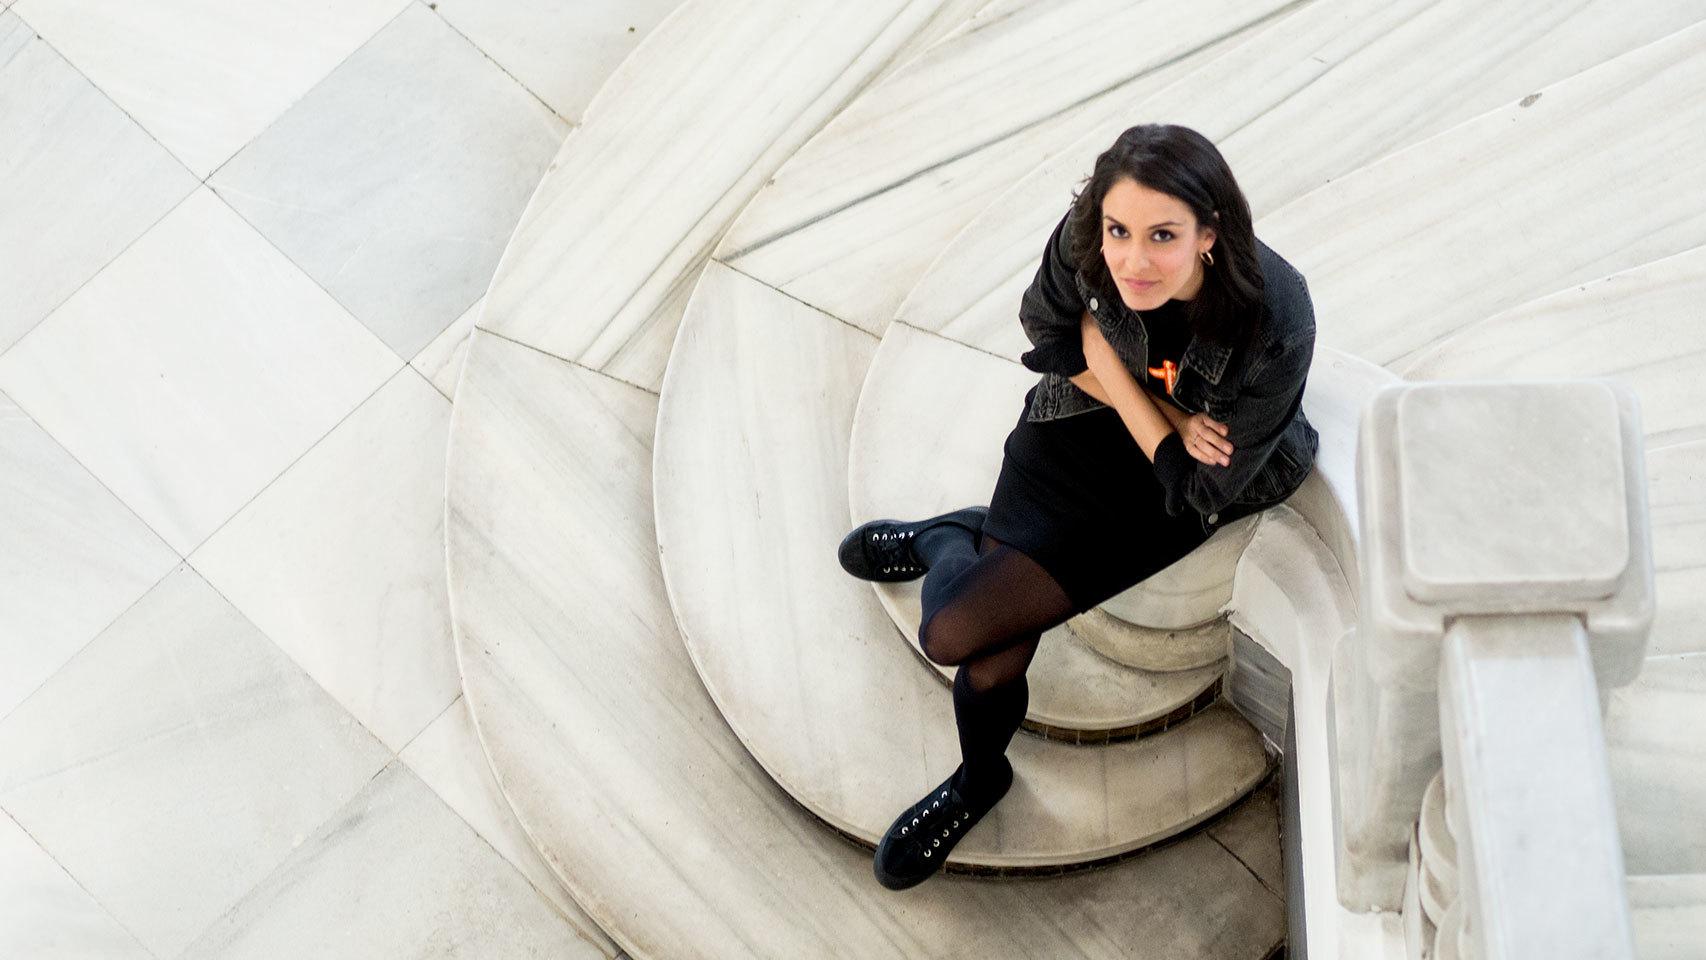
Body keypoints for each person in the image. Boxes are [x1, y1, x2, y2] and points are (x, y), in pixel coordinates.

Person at [837, 123, 1319, 890]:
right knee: (977, 651)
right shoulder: (1086, 241)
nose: (1131, 260)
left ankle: (947, 545)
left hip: (1161, 495)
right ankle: (981, 776)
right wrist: (1149, 401)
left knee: (953, 631)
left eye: (1163, 236)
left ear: (1210, 234)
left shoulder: (1275, 320)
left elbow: (1201, 485)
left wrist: (1110, 360)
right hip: (1081, 423)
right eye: (1118, 230)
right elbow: (1050, 336)